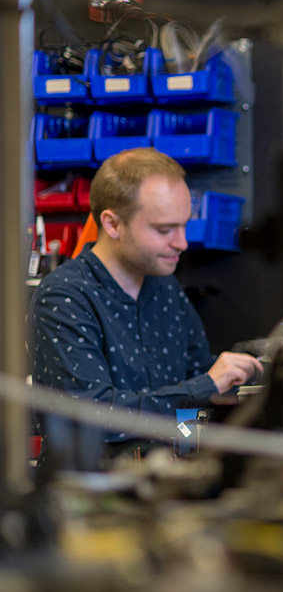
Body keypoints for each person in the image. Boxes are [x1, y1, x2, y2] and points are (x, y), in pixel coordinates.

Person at [28, 147, 262, 464]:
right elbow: (91, 418)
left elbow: (194, 395)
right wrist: (205, 385)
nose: (181, 242)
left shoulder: (165, 288)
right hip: (92, 497)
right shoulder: (64, 297)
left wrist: (233, 385)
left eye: (183, 225)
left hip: (165, 484)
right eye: (164, 230)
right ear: (112, 224)